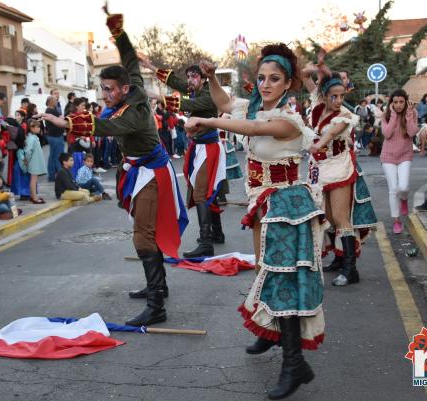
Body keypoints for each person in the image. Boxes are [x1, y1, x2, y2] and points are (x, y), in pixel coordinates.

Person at [189, 45, 325, 400]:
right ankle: (273, 335)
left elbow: (247, 125)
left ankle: (294, 364)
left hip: (288, 204)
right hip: (265, 202)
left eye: (274, 79)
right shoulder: (254, 106)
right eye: (262, 78)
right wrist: (211, 78)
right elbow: (224, 103)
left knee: (284, 281)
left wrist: (208, 122)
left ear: (288, 84)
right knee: (267, 272)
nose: (266, 84)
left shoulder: (288, 121)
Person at [40, 8, 188, 327]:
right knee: (145, 232)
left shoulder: (133, 111)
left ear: (122, 90)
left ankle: (157, 304)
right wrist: (119, 32)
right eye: (103, 89)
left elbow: (107, 127)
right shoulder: (129, 83)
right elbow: (131, 59)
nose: (105, 95)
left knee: (143, 237)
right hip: (137, 170)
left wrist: (65, 120)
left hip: (151, 173)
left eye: (110, 90)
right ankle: (155, 286)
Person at [139, 55, 228, 255]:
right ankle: (217, 233)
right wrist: (148, 65)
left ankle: (206, 243)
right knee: (206, 192)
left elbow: (187, 105)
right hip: (199, 147)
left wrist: (157, 96)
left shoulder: (208, 95)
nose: (189, 80)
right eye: (188, 76)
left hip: (208, 148)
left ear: (204, 79)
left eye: (194, 76)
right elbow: (173, 80)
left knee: (201, 194)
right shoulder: (194, 91)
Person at [302, 65, 377, 286]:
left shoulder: (346, 115)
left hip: (339, 166)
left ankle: (350, 269)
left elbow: (333, 132)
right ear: (324, 96)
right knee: (328, 217)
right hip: (319, 169)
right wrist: (319, 68)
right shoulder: (317, 107)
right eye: (333, 96)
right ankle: (339, 258)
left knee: (341, 217)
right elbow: (304, 75)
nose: (338, 101)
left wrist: (317, 145)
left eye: (341, 96)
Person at [381, 89, 419, 234]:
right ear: (391, 103)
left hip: (405, 155)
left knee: (403, 187)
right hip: (388, 156)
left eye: (401, 102)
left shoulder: (412, 113)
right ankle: (396, 221)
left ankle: (404, 199)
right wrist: (394, 116)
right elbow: (387, 134)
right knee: (393, 189)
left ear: (406, 101)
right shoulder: (387, 115)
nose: (398, 105)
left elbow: (412, 132)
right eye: (395, 102)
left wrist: (409, 113)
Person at [20, 119, 47, 204]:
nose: (39, 128)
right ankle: (34, 198)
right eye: (37, 127)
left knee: (34, 180)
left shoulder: (33, 137)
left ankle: (33, 196)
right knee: (33, 180)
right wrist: (27, 161)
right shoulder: (31, 138)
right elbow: (28, 151)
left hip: (34, 161)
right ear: (31, 128)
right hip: (33, 162)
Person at [44, 96, 65, 182]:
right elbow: (60, 119)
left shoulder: (50, 111)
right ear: (50, 102)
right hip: (56, 137)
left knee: (52, 157)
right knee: (58, 157)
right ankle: (61, 176)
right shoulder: (51, 111)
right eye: (54, 100)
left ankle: (51, 176)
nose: (56, 101)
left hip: (53, 136)